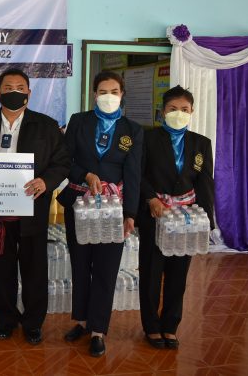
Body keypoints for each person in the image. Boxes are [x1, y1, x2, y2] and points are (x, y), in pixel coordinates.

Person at [0, 68, 70, 345]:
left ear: (29, 92)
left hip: (32, 212)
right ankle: (6, 320)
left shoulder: (47, 125)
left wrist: (45, 181)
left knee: (34, 271)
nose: (14, 92)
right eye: (7, 87)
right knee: (2, 270)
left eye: (19, 87)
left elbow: (63, 162)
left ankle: (32, 323)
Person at [57, 71, 143, 357]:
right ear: (94, 93)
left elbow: (133, 173)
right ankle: (81, 321)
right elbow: (65, 160)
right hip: (80, 203)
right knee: (80, 265)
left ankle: (98, 330)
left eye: (114, 91)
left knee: (105, 269)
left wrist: (130, 213)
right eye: (103, 91)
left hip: (113, 209)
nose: (108, 96)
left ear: (122, 94)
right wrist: (86, 173)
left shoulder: (133, 129)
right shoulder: (79, 121)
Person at [137, 86, 214, 350]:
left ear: (191, 112)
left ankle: (170, 325)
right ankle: (151, 326)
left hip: (185, 219)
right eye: (172, 109)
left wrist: (207, 222)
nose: (178, 114)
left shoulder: (201, 143)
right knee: (151, 272)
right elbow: (138, 175)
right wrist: (151, 198)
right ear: (162, 112)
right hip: (155, 214)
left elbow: (205, 183)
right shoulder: (147, 139)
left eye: (184, 110)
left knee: (178, 274)